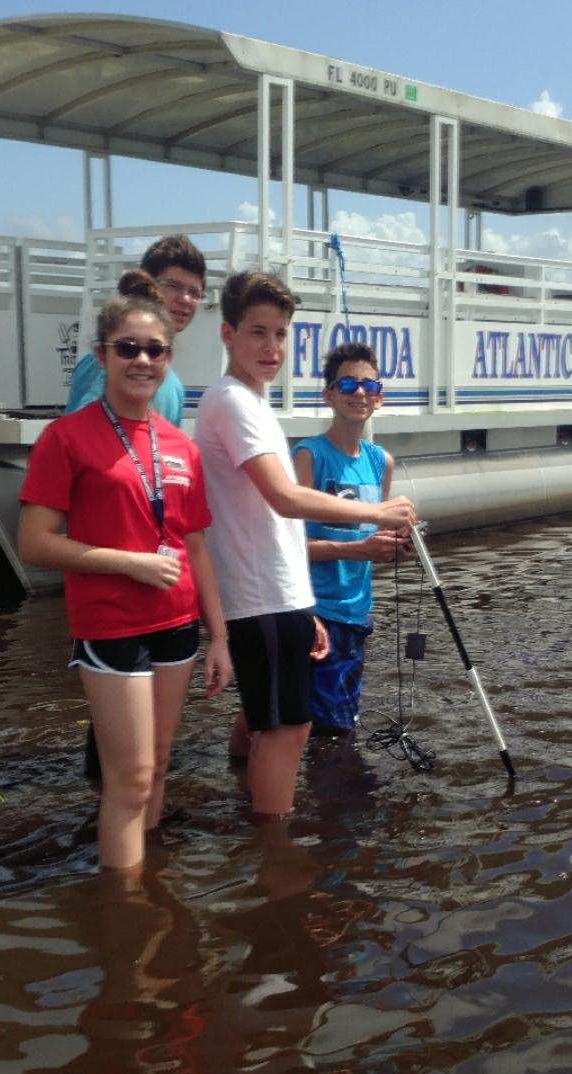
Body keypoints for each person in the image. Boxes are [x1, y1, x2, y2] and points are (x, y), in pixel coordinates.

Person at [18, 271, 232, 870]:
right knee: (131, 779)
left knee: (160, 764)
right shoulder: (66, 438)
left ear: (169, 358)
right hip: (110, 624)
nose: (142, 360)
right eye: (128, 348)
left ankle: (148, 880)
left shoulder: (179, 444)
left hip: (177, 622)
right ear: (102, 355)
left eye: (154, 350)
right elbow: (34, 543)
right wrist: (130, 564)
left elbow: (196, 546)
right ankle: (126, 917)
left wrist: (220, 636)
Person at [193, 270, 417, 822]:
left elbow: (282, 523)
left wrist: (302, 603)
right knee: (289, 729)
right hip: (259, 596)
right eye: (257, 333)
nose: (271, 348)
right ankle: (276, 855)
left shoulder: (254, 404)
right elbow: (285, 500)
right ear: (227, 334)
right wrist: (375, 515)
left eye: (280, 334)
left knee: (270, 720)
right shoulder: (235, 404)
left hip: (284, 595)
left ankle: (243, 808)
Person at [292, 343, 408, 735]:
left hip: (358, 614)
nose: (359, 393)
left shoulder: (380, 462)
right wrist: (359, 549)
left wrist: (398, 544)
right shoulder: (309, 456)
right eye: (346, 385)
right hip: (317, 613)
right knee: (332, 730)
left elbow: (377, 540)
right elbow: (288, 550)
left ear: (380, 396)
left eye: (368, 385)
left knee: (322, 722)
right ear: (328, 395)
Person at [63, 235, 205, 424]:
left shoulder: (174, 386)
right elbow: (78, 439)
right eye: (173, 286)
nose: (185, 299)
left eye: (194, 292)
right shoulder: (107, 364)